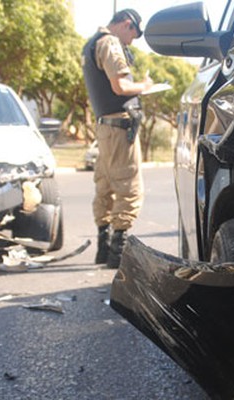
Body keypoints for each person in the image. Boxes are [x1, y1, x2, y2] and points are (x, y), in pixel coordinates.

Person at [82, 9, 153, 268]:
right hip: (120, 128)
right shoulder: (110, 43)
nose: (131, 42)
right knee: (129, 186)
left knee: (105, 185)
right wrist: (145, 87)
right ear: (126, 24)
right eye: (133, 35)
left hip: (105, 127)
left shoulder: (91, 43)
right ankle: (117, 253)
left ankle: (103, 246)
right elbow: (120, 87)